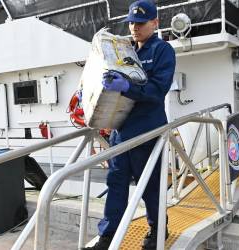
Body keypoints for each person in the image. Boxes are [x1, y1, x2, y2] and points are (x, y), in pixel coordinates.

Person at [85, 1, 176, 249]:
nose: (135, 28)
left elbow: (157, 90)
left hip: (147, 131)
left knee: (150, 185)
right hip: (121, 131)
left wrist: (128, 87)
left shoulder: (162, 50)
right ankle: (109, 235)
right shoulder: (126, 50)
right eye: (132, 23)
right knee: (115, 183)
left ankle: (158, 230)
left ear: (155, 23)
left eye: (141, 23)